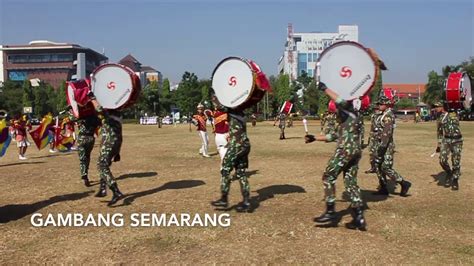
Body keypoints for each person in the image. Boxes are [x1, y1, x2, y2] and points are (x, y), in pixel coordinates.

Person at [307, 83, 366, 230]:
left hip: (345, 150)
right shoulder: (350, 119)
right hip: (355, 151)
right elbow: (332, 136)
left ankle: (331, 211)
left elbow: (342, 102)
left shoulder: (350, 111)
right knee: (350, 182)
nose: (335, 115)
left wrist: (325, 89)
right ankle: (359, 217)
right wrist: (314, 138)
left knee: (328, 176)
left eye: (336, 112)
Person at [88, 92, 124, 206]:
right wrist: (117, 152)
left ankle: (116, 191)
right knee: (105, 163)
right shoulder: (117, 115)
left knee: (101, 165)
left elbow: (99, 109)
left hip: (109, 142)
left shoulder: (108, 113)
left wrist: (92, 98)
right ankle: (103, 188)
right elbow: (120, 133)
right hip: (114, 142)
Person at [211, 109, 251, 212]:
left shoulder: (231, 110)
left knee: (225, 170)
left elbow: (221, 106)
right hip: (245, 144)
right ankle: (246, 201)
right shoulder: (241, 113)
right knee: (241, 173)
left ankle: (224, 199)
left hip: (236, 145)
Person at [373, 95, 411, 196]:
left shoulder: (388, 115)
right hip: (379, 144)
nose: (379, 106)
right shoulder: (382, 114)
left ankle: (403, 183)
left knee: (386, 167)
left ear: (386, 104)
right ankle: (383, 187)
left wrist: (382, 146)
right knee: (378, 166)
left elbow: (387, 133)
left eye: (381, 104)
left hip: (386, 146)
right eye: (378, 104)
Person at [434, 102, 463, 190]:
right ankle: (449, 172)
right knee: (442, 160)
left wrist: (460, 98)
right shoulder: (439, 118)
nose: (435, 109)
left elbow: (460, 104)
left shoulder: (454, 113)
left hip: (457, 140)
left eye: (437, 107)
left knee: (456, 161)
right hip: (446, 140)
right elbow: (439, 132)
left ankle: (455, 179)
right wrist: (439, 144)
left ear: (442, 107)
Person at [211, 98, 229, 164]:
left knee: (222, 154)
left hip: (217, 136)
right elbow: (227, 125)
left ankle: (223, 171)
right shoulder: (225, 114)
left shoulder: (215, 114)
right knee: (225, 156)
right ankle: (224, 171)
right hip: (224, 135)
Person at [365, 108, 382, 173]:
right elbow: (372, 126)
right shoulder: (373, 116)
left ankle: (379, 168)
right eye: (375, 108)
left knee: (379, 153)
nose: (376, 109)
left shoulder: (383, 115)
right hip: (373, 136)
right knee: (372, 152)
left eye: (377, 108)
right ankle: (373, 167)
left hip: (379, 136)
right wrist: (370, 136)